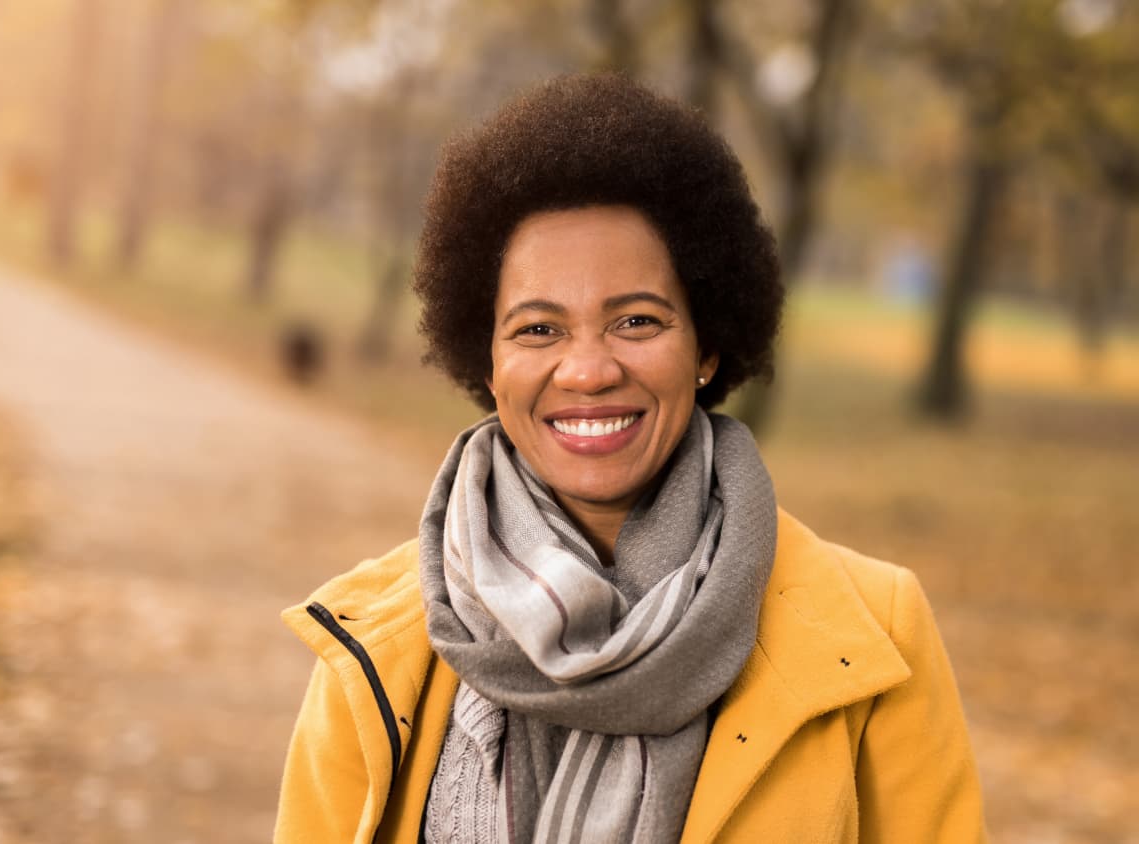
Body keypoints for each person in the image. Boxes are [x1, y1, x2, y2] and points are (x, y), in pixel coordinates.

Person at [274, 74, 985, 844]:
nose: (587, 371)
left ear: (706, 345)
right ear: (487, 362)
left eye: (637, 321)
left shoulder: (875, 635)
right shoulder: (376, 643)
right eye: (538, 330)